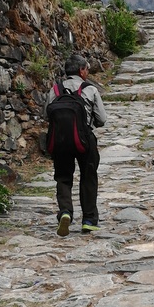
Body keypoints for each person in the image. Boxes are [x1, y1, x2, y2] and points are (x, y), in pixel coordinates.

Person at [44, 53, 107, 236]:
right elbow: (102, 119)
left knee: (63, 176)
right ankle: (88, 220)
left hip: (60, 140)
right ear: (81, 70)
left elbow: (46, 115)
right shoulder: (90, 89)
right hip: (84, 139)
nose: (87, 72)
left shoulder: (55, 90)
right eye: (87, 69)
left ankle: (65, 212)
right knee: (88, 176)